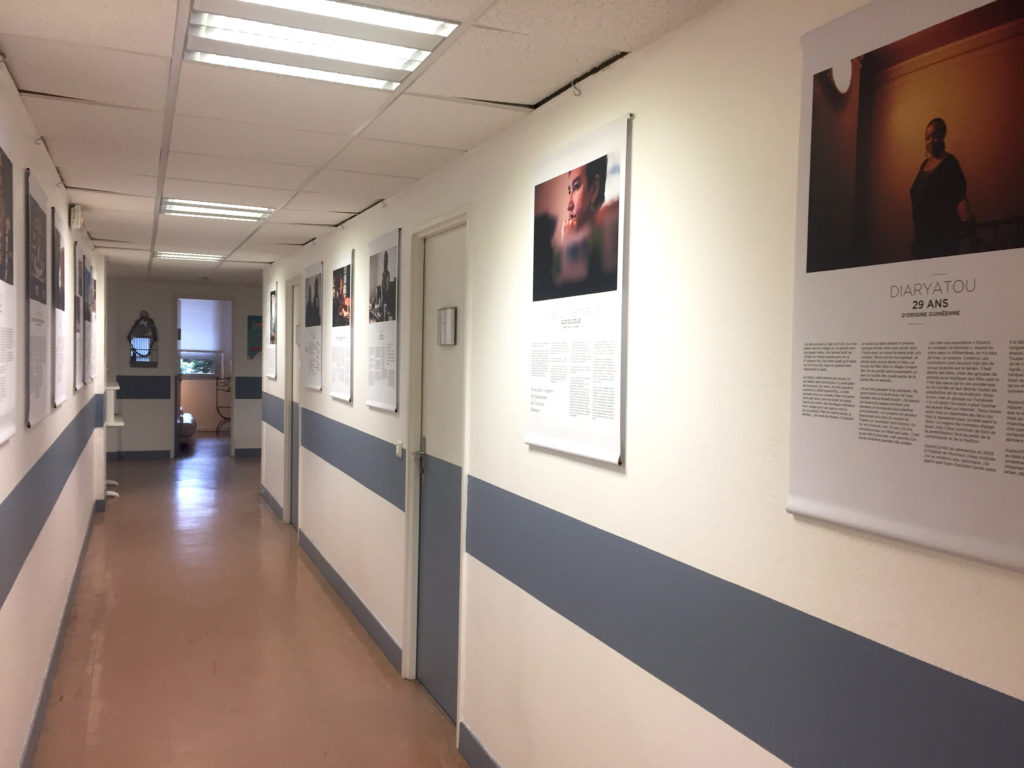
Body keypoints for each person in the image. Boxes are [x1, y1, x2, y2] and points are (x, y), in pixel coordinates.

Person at [910, 118, 971, 259]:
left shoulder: (950, 163)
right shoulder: (924, 164)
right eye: (927, 138)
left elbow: (959, 195)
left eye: (935, 136)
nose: (930, 141)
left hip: (941, 239)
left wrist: (965, 220)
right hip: (922, 238)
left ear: (943, 135)